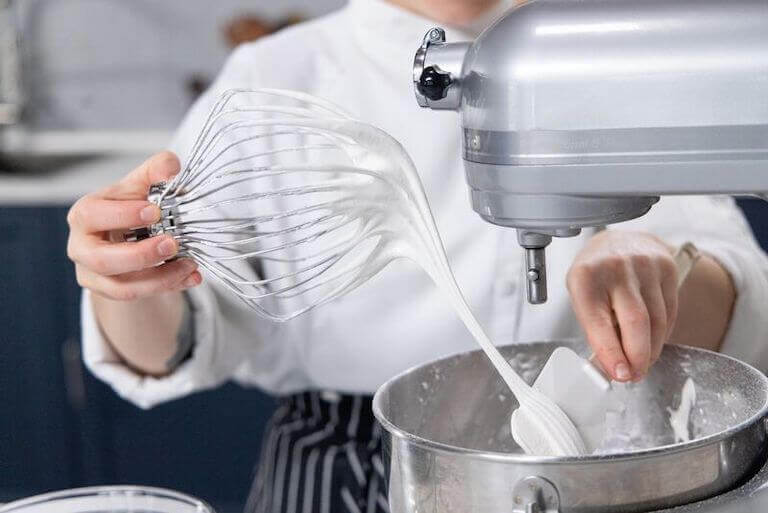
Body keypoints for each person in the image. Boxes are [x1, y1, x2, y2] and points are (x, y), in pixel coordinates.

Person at [66, 0, 768, 512]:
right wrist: (127, 273)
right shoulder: (278, 74)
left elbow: (736, 296)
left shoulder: (615, 49)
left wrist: (654, 262)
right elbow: (177, 337)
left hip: (588, 467)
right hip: (337, 471)